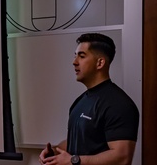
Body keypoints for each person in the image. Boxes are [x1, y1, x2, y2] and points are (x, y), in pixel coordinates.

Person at [39, 33, 139, 165]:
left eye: (81, 56)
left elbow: (121, 157)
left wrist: (74, 161)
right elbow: (79, 140)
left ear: (100, 63)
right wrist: (55, 151)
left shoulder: (119, 104)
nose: (74, 62)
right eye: (75, 56)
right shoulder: (80, 102)